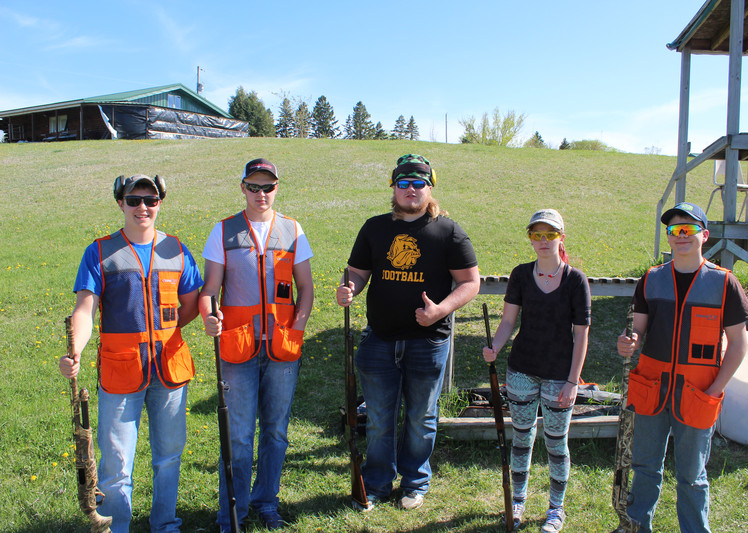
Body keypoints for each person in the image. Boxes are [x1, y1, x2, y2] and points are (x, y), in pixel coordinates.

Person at [58, 174, 203, 532]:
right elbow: (85, 309)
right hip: (121, 373)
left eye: (150, 200)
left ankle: (165, 524)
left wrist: (166, 333)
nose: (143, 207)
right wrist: (74, 349)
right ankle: (116, 527)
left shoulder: (176, 249)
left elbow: (193, 303)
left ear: (160, 203)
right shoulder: (100, 251)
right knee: (117, 463)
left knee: (169, 457)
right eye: (134, 199)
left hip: (169, 370)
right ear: (120, 202)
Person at [336, 154, 480, 512]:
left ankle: (415, 482)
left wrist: (441, 310)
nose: (411, 189)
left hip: (428, 343)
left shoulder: (449, 231)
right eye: (404, 183)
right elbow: (356, 272)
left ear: (430, 187)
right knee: (381, 417)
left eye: (419, 182)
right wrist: (349, 288)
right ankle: (378, 482)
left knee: (421, 415)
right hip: (380, 339)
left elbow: (470, 282)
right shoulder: (374, 228)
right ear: (394, 188)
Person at [616, 202, 748, 533]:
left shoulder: (725, 284)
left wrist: (716, 388)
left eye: (689, 229)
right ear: (668, 237)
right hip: (652, 388)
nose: (681, 236)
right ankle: (636, 527)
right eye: (674, 230)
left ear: (704, 236)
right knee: (645, 466)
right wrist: (629, 341)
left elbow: (738, 344)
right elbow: (637, 329)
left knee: (692, 476)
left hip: (698, 392)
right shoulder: (651, 279)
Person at [199, 158, 314, 532]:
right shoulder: (223, 231)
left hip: (282, 350)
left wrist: (296, 328)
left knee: (276, 433)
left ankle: (267, 503)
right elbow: (210, 289)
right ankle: (231, 512)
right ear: (243, 188)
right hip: (238, 350)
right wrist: (209, 316)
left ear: (277, 188)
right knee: (239, 437)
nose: (261, 194)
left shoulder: (293, 230)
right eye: (254, 187)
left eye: (268, 187)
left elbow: (306, 289)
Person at [482, 208, 590, 532]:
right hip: (522, 371)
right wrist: (495, 348)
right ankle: (517, 501)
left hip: (560, 376)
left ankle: (556, 510)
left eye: (550, 234)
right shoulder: (519, 275)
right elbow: (507, 322)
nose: (543, 241)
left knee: (557, 443)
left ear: (561, 237)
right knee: (522, 439)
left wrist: (573, 380)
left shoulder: (576, 281)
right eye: (536, 235)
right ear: (530, 238)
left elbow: (581, 334)